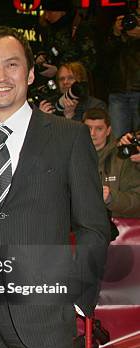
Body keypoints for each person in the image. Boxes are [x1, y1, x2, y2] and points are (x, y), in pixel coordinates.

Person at [0, 26, 110, 348]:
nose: (0, 76)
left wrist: (77, 298)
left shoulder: (69, 138)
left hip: (46, 320)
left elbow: (94, 226)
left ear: (29, 74)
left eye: (12, 65)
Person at [83, 108, 140, 218]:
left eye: (99, 128)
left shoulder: (123, 158)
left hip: (116, 227)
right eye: (88, 128)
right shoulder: (70, 156)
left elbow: (137, 199)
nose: (92, 133)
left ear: (108, 130)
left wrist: (111, 198)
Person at [104, 8, 140, 139]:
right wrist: (115, 34)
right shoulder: (121, 29)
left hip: (138, 90)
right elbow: (105, 55)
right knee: (117, 140)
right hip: (118, 90)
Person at [39, 62, 106, 121]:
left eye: (70, 78)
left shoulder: (95, 106)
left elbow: (93, 134)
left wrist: (71, 116)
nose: (65, 82)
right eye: (61, 79)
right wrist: (42, 119)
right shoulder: (51, 105)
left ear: (81, 80)